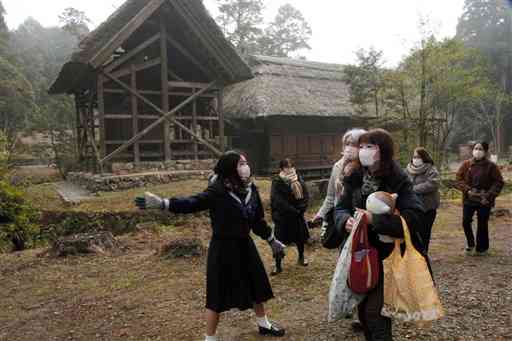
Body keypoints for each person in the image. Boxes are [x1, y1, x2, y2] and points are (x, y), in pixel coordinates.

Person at [135, 151, 286, 341]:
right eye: (240, 163)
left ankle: (263, 324)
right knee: (217, 295)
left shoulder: (251, 189)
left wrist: (271, 240)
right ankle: (210, 338)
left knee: (256, 284)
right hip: (222, 248)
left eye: (246, 162)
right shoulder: (218, 190)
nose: (245, 166)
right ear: (230, 168)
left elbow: (257, 221)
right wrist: (164, 204)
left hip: (245, 245)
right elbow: (193, 203)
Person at [335, 128, 427, 341]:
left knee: (376, 313)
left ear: (383, 151)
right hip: (360, 253)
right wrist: (344, 221)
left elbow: (415, 217)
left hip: (388, 255)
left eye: (370, 146)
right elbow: (340, 208)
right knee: (364, 311)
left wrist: (374, 220)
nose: (364, 151)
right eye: (362, 146)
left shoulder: (398, 179)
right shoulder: (354, 176)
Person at [455, 141, 504, 256]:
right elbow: (458, 179)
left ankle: (482, 248)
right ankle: (470, 243)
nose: (477, 151)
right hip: (469, 198)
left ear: (485, 152)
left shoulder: (491, 166)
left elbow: (499, 182)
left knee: (482, 223)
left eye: (480, 149)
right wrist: (467, 190)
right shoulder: (466, 164)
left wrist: (489, 194)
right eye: (476, 148)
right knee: (465, 221)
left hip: (484, 199)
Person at [313, 128, 367, 223]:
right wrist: (320, 214)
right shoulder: (338, 166)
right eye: (347, 144)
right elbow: (331, 196)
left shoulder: (369, 167)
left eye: (353, 144)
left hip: (362, 218)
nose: (349, 147)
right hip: (340, 218)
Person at [270, 158, 309, 275]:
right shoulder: (277, 181)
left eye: (291, 166)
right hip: (283, 216)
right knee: (279, 241)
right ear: (282, 168)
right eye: (287, 166)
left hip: (297, 215)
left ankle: (301, 257)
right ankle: (278, 265)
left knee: (300, 238)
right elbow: (277, 200)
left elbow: (305, 194)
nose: (290, 169)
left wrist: (303, 207)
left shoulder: (298, 178)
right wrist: (293, 210)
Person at [405, 147, 440, 253]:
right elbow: (404, 183)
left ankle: (424, 253)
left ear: (424, 158)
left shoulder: (431, 169)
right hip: (412, 207)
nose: (416, 159)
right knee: (412, 232)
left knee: (425, 232)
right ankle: (414, 254)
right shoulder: (407, 170)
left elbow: (432, 184)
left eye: (418, 157)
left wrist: (414, 189)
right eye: (414, 157)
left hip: (427, 208)